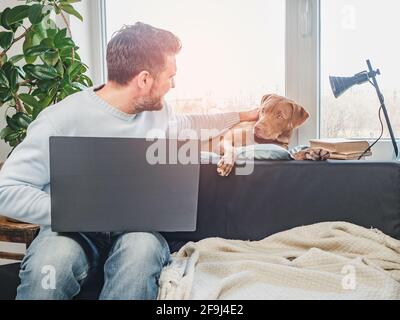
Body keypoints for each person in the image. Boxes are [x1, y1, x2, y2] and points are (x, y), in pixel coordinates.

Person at [0, 22, 259, 300]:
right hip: (70, 233)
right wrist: (78, 210)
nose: (173, 85)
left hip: (137, 232)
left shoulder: (159, 115)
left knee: (140, 253)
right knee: (49, 267)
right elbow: (6, 191)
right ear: (144, 79)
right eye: (170, 76)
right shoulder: (60, 120)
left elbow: (193, 123)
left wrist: (243, 116)